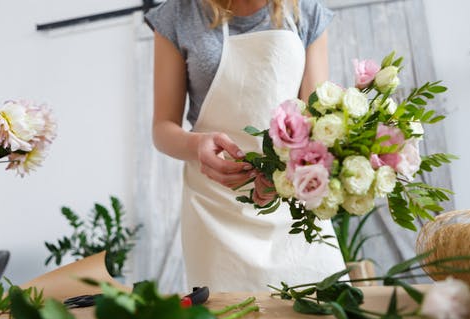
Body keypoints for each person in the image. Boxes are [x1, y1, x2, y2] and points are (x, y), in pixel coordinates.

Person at [145, 0, 347, 291]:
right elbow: (162, 128)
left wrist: (282, 177)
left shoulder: (305, 10)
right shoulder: (177, 15)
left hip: (292, 208)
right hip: (214, 210)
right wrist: (196, 144)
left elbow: (316, 124)